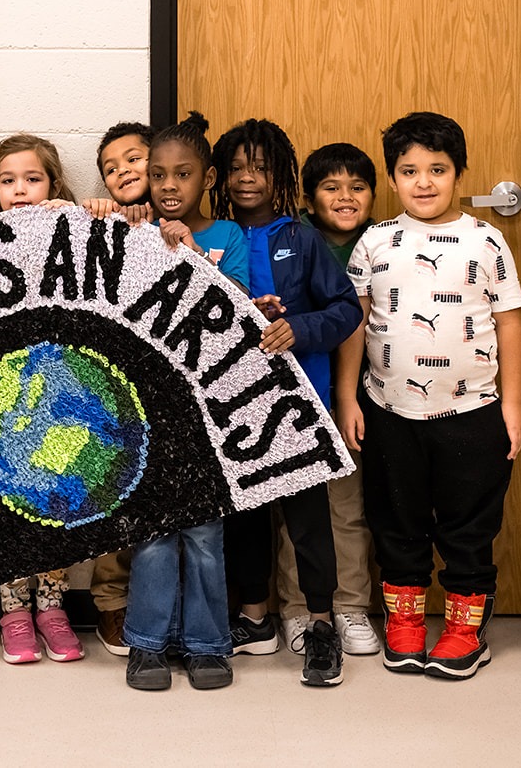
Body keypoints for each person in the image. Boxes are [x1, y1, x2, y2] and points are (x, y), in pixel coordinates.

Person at [335, 111, 521, 680]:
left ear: (459, 173)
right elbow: (355, 324)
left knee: (469, 525)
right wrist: (348, 398)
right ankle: (406, 621)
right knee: (398, 521)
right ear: (392, 179)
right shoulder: (375, 241)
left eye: (437, 169)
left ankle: (467, 629)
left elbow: (511, 324)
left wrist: (513, 406)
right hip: (390, 412)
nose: (424, 182)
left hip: (473, 414)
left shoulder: (486, 240)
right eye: (409, 170)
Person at [208, 119, 361, 685]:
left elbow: (346, 310)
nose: (249, 178)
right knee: (244, 518)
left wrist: (297, 327)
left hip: (299, 405)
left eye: (262, 167)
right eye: (238, 168)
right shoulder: (211, 236)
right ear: (220, 176)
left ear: (280, 176)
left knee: (308, 522)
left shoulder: (301, 238)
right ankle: (254, 619)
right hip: (230, 405)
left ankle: (321, 627)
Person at [124, 112, 249, 692]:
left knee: (202, 534)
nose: (169, 185)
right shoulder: (132, 234)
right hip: (147, 409)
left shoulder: (229, 236)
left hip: (208, 414)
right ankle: (147, 644)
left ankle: (206, 643)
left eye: (183, 174)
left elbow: (239, 313)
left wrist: (194, 253)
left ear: (209, 178)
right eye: (158, 174)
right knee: (152, 533)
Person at [257, 140, 382, 657]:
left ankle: (351, 606)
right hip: (309, 393)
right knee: (297, 512)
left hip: (374, 395)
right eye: (332, 187)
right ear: (308, 198)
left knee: (347, 509)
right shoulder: (294, 239)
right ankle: (298, 611)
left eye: (357, 187)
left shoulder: (385, 242)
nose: (346, 196)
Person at [0, 133, 89, 665]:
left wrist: (80, 214)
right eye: (7, 180)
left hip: (61, 386)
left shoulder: (76, 230)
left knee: (56, 496)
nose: (19, 190)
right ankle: (13, 611)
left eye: (32, 179)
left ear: (54, 185)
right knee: (7, 500)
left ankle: (51, 607)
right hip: (4, 393)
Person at [80, 120, 154, 655]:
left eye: (134, 158)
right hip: (115, 383)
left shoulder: (185, 222)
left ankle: (170, 604)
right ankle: (111, 602)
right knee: (113, 488)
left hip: (167, 380)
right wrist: (94, 217)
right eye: (111, 167)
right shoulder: (100, 223)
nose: (124, 171)